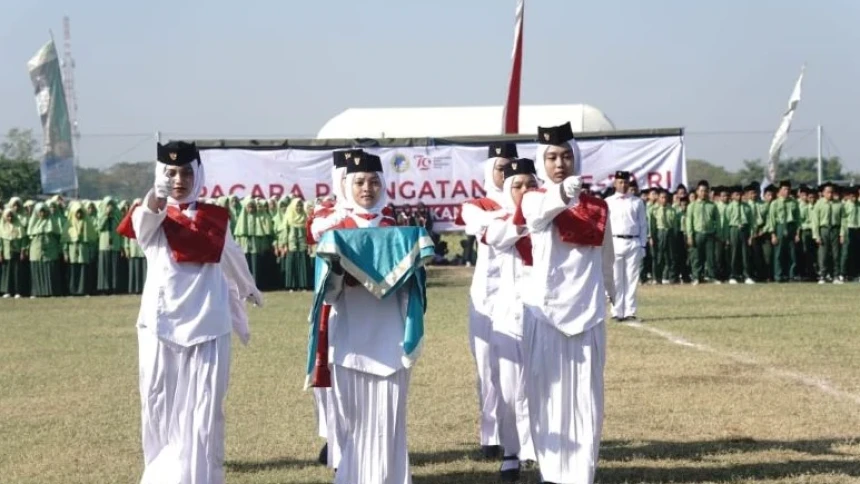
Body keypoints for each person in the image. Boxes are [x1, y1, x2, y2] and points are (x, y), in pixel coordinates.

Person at [117, 141, 262, 484]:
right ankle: (161, 475)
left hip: (209, 325)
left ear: (198, 174)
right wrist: (157, 194)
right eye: (170, 173)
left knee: (204, 411)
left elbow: (233, 257)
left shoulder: (215, 217)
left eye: (185, 172)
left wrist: (248, 288)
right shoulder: (149, 216)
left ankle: (201, 476)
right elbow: (145, 222)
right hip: (160, 326)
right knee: (159, 406)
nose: (179, 179)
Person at [308, 152, 426, 484]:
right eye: (359, 182)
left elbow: (413, 289)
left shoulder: (401, 233)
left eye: (374, 181)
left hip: (390, 337)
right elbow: (326, 292)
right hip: (349, 338)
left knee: (390, 418)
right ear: (346, 185)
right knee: (353, 420)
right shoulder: (334, 233)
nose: (367, 188)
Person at [513, 122, 615, 484]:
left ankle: (581, 473)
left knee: (587, 398)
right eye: (552, 157)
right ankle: (552, 472)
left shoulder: (598, 207)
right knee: (546, 393)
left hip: (586, 313)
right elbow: (539, 215)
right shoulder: (533, 198)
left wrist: (612, 289)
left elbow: (606, 253)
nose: (560, 163)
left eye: (567, 156)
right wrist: (561, 195)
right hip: (546, 313)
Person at [456, 141, 518, 459]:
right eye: (499, 167)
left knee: (517, 368)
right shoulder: (476, 204)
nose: (505, 173)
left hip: (519, 295)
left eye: (511, 166)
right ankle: (491, 435)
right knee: (486, 367)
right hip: (485, 296)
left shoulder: (528, 199)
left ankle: (520, 435)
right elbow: (487, 230)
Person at [482, 158, 538, 481]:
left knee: (539, 384)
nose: (524, 191)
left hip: (542, 312)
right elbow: (499, 236)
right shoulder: (500, 220)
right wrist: (526, 216)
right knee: (507, 386)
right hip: (507, 315)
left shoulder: (548, 219)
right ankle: (512, 451)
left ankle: (537, 447)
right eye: (517, 185)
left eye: (530, 185)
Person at [605, 171, 648, 321]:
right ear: (615, 183)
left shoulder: (637, 202)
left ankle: (630, 311)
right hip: (615, 242)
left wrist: (643, 246)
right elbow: (605, 226)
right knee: (616, 279)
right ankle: (616, 311)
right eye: (620, 182)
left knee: (631, 279)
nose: (623, 185)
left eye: (625, 182)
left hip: (633, 242)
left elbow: (643, 225)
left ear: (629, 184)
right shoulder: (608, 202)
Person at [686, 180, 721, 285]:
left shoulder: (712, 205)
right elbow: (689, 221)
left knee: (710, 257)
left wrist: (718, 233)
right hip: (697, 234)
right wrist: (690, 236)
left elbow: (718, 220)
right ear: (697, 191)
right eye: (701, 191)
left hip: (710, 234)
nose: (703, 193)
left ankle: (712, 277)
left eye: (705, 191)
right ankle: (696, 277)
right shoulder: (692, 206)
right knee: (696, 257)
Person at [28, 202, 64, 298]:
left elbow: (57, 234)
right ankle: (37, 292)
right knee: (37, 271)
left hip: (50, 250)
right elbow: (29, 234)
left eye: (44, 211)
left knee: (50, 271)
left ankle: (51, 292)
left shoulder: (51, 221)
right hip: (36, 250)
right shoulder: (33, 223)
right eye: (40, 212)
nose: (42, 214)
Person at [767, 180, 800, 282]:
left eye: (789, 189)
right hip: (780, 227)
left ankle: (791, 275)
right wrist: (773, 235)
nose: (787, 191)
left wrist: (797, 233)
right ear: (780, 190)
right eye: (785, 189)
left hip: (791, 227)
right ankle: (778, 276)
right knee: (778, 254)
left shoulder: (794, 202)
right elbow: (771, 219)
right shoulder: (775, 203)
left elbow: (798, 219)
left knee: (792, 253)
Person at [811, 182, 842, 284]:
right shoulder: (819, 204)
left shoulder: (839, 204)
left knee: (836, 254)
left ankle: (836, 276)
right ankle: (822, 276)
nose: (830, 194)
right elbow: (815, 221)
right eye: (828, 192)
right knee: (823, 254)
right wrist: (816, 235)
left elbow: (844, 220)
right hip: (823, 229)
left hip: (835, 229)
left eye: (832, 192)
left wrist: (842, 233)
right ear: (823, 193)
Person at [65, 201, 97, 296]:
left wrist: (91, 251)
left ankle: (84, 290)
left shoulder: (87, 222)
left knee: (84, 270)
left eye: (80, 212)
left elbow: (92, 239)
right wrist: (65, 252)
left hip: (84, 250)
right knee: (74, 270)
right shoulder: (69, 224)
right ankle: (73, 291)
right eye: (77, 212)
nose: (79, 214)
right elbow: (65, 240)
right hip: (73, 250)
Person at [724, 186, 755, 284]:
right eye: (736, 194)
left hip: (744, 230)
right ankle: (733, 275)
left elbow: (751, 222)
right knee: (733, 254)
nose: (739, 196)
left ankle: (746, 275)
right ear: (732, 196)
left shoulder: (747, 207)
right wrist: (727, 237)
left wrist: (751, 235)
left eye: (740, 194)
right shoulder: (729, 207)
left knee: (745, 254)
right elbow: (726, 223)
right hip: (734, 229)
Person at [650, 188, 678, 284]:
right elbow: (652, 225)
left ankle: (672, 278)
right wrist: (651, 237)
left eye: (665, 197)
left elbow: (675, 225)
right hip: (659, 233)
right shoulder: (654, 210)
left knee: (671, 257)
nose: (664, 199)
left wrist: (674, 236)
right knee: (659, 257)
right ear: (658, 198)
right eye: (662, 197)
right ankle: (657, 278)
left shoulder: (672, 209)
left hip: (669, 232)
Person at [96, 197, 123, 294]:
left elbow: (120, 227)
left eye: (111, 204)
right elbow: (99, 227)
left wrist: (113, 216)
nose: (110, 207)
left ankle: (114, 287)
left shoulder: (117, 214)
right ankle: (104, 288)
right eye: (108, 204)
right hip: (104, 245)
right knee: (104, 267)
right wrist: (106, 216)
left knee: (114, 267)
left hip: (115, 244)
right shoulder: (100, 214)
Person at [0, 208, 27, 298]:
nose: (10, 218)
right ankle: (7, 291)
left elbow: (23, 240)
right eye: (8, 216)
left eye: (11, 216)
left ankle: (17, 291)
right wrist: (0, 254)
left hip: (16, 252)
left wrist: (22, 252)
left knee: (17, 272)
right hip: (6, 253)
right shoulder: (2, 227)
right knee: (7, 273)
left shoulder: (18, 226)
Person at [840, 186, 859, 282]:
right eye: (852, 196)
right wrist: (842, 234)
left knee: (856, 253)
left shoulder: (858, 204)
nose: (854, 197)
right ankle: (842, 273)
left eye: (855, 195)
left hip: (857, 230)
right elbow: (843, 220)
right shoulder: (845, 205)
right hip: (848, 230)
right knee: (846, 253)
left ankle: (855, 274)